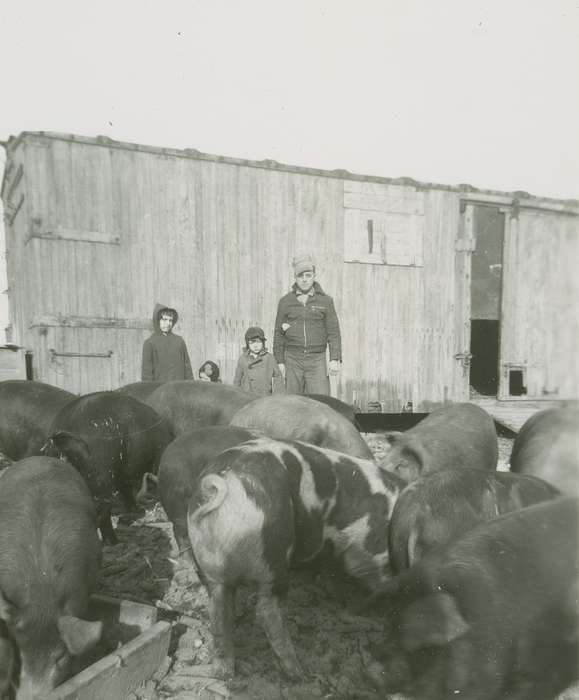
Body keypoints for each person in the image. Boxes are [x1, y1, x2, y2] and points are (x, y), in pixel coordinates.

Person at [273, 254, 341, 395]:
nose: (304, 279)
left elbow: (333, 332)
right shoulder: (285, 302)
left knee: (320, 401)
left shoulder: (325, 301)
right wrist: (279, 361)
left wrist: (334, 358)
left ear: (314, 276)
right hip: (292, 359)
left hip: (317, 359)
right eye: (300, 276)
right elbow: (278, 334)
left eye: (308, 275)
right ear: (295, 278)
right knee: (292, 403)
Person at [141, 304, 193, 381]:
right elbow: (147, 372)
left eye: (170, 320)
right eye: (164, 319)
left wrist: (190, 386)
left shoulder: (179, 341)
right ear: (158, 320)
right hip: (161, 389)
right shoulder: (150, 343)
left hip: (179, 388)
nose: (168, 323)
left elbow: (187, 367)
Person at [233, 326, 284, 396]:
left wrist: (277, 396)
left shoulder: (269, 358)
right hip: (247, 396)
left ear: (263, 343)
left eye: (258, 342)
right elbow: (237, 380)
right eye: (252, 343)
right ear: (248, 344)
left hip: (264, 396)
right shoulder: (243, 359)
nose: (255, 346)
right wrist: (237, 395)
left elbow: (278, 377)